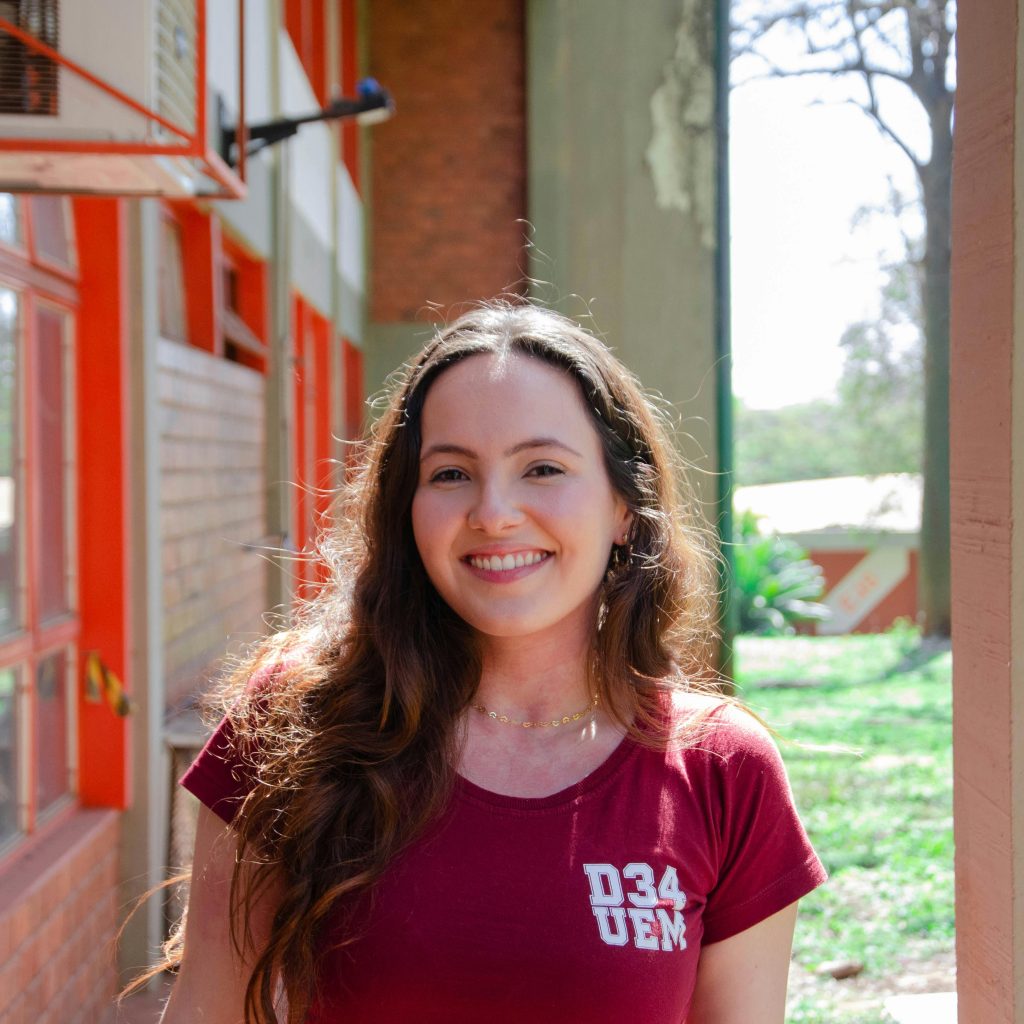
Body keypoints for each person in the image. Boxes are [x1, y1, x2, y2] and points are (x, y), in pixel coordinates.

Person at [157, 300, 826, 1024]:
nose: (494, 512)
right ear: (405, 508)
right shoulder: (295, 721)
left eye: (542, 467)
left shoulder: (724, 770)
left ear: (623, 508)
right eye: (450, 474)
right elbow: (208, 1011)